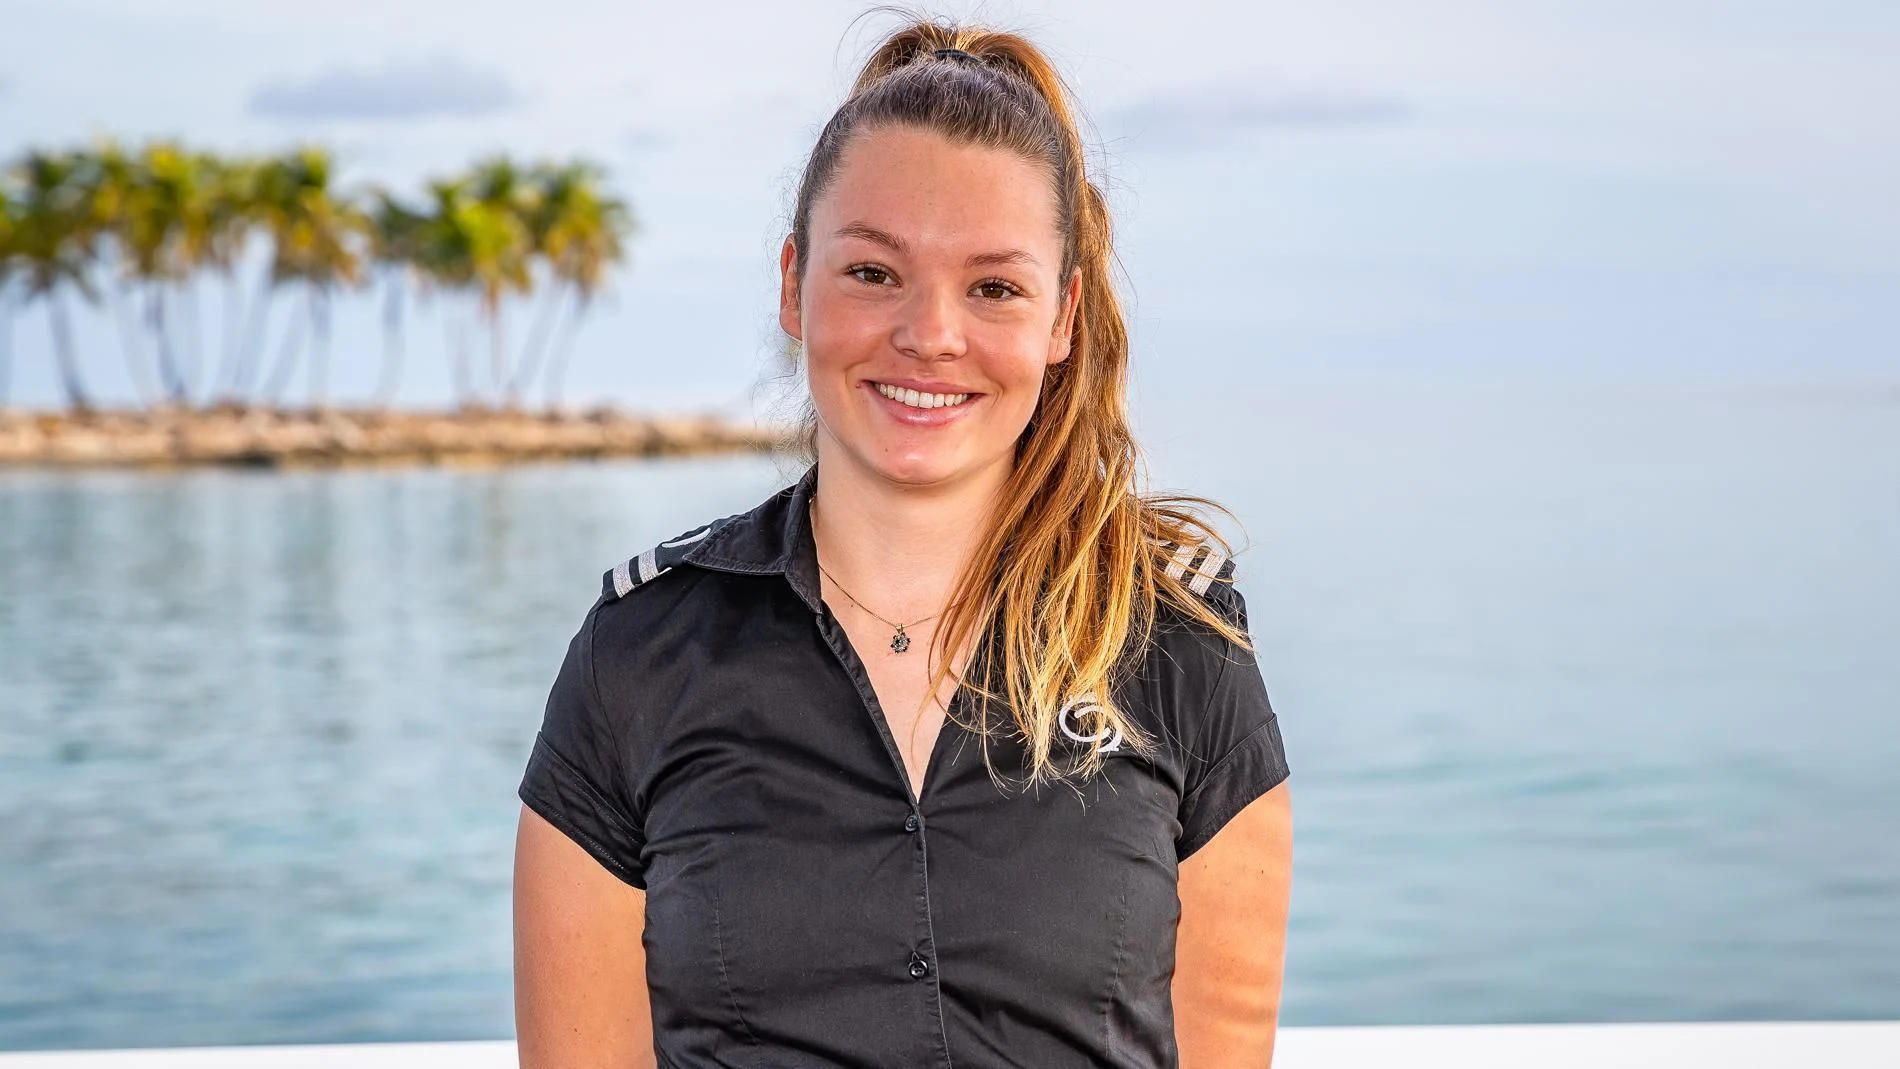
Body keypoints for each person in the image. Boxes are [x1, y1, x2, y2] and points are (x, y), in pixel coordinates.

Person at [513, 17, 1292, 1068]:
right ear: (794, 286)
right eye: (873, 273)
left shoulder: (1180, 642)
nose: (930, 333)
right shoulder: (638, 656)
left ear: (1061, 318)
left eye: (993, 286)